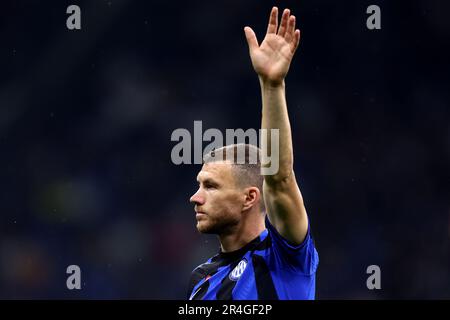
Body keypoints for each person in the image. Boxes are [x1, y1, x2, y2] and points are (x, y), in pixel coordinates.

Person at [187, 7, 319, 300]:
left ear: (250, 197)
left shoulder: (284, 255)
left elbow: (279, 178)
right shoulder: (200, 280)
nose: (195, 197)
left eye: (210, 186)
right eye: (199, 185)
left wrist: (272, 85)